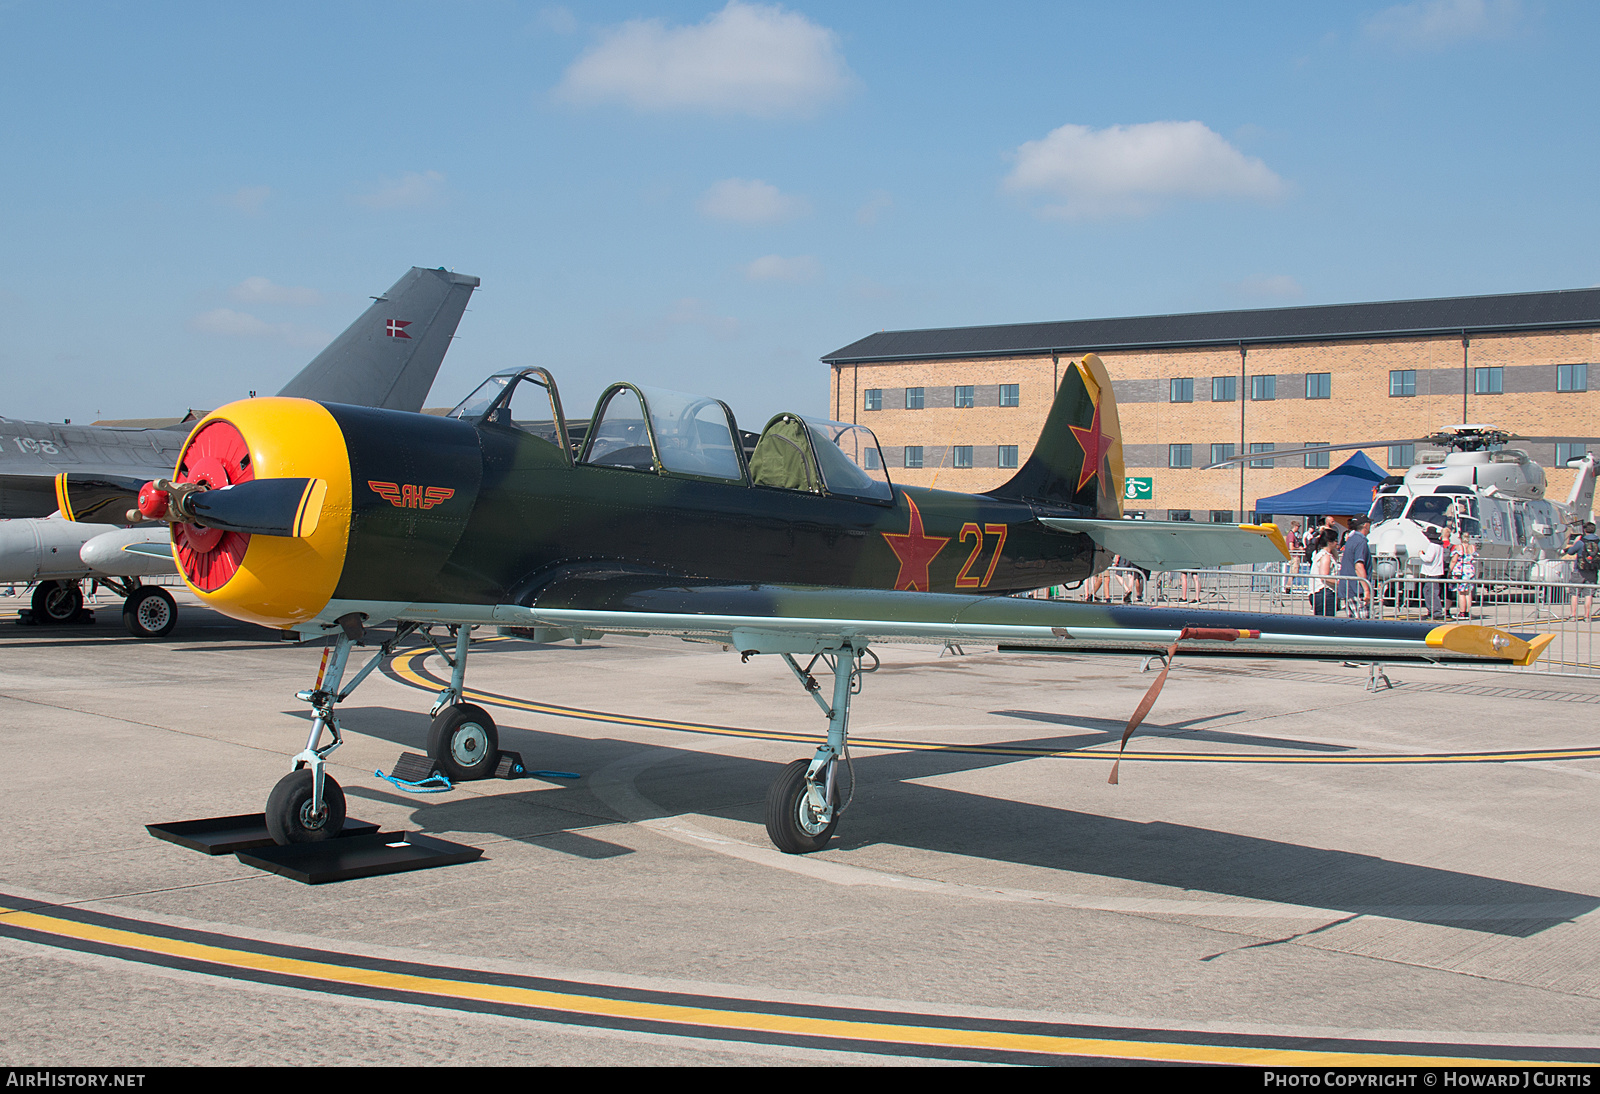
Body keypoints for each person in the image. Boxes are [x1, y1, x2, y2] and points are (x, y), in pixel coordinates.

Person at [1562, 521, 1600, 621]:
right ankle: (1587, 616)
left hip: (1579, 570)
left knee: (1574, 593)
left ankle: (1573, 615)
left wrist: (1575, 543)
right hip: (1592, 571)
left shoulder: (1581, 542)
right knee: (1589, 594)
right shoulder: (1598, 542)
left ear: (1585, 530)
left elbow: (1570, 552)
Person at [1337, 514, 1373, 618]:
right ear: (1365, 525)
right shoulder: (1360, 542)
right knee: (1362, 625)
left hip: (1349, 588)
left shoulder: (1351, 539)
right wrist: (1366, 589)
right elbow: (1359, 566)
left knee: (1353, 623)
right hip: (1357, 589)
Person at [1309, 528, 1341, 616]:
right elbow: (1324, 577)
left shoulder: (1324, 554)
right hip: (1324, 593)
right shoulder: (1325, 556)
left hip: (1323, 593)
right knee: (1327, 623)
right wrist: (1340, 583)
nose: (1337, 543)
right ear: (1329, 542)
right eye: (1335, 540)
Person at [1418, 526, 1446, 619]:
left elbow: (1428, 559)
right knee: (1431, 592)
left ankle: (1435, 612)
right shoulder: (1439, 545)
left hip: (1431, 572)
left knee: (1430, 593)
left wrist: (1421, 555)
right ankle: (1433, 611)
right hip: (1436, 571)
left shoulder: (1432, 545)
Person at [1452, 537, 1477, 619]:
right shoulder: (1472, 547)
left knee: (1461, 593)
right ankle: (1467, 612)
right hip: (1470, 570)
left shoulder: (1459, 547)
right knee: (1468, 593)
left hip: (1461, 570)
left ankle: (1462, 612)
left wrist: (1450, 570)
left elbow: (1454, 560)